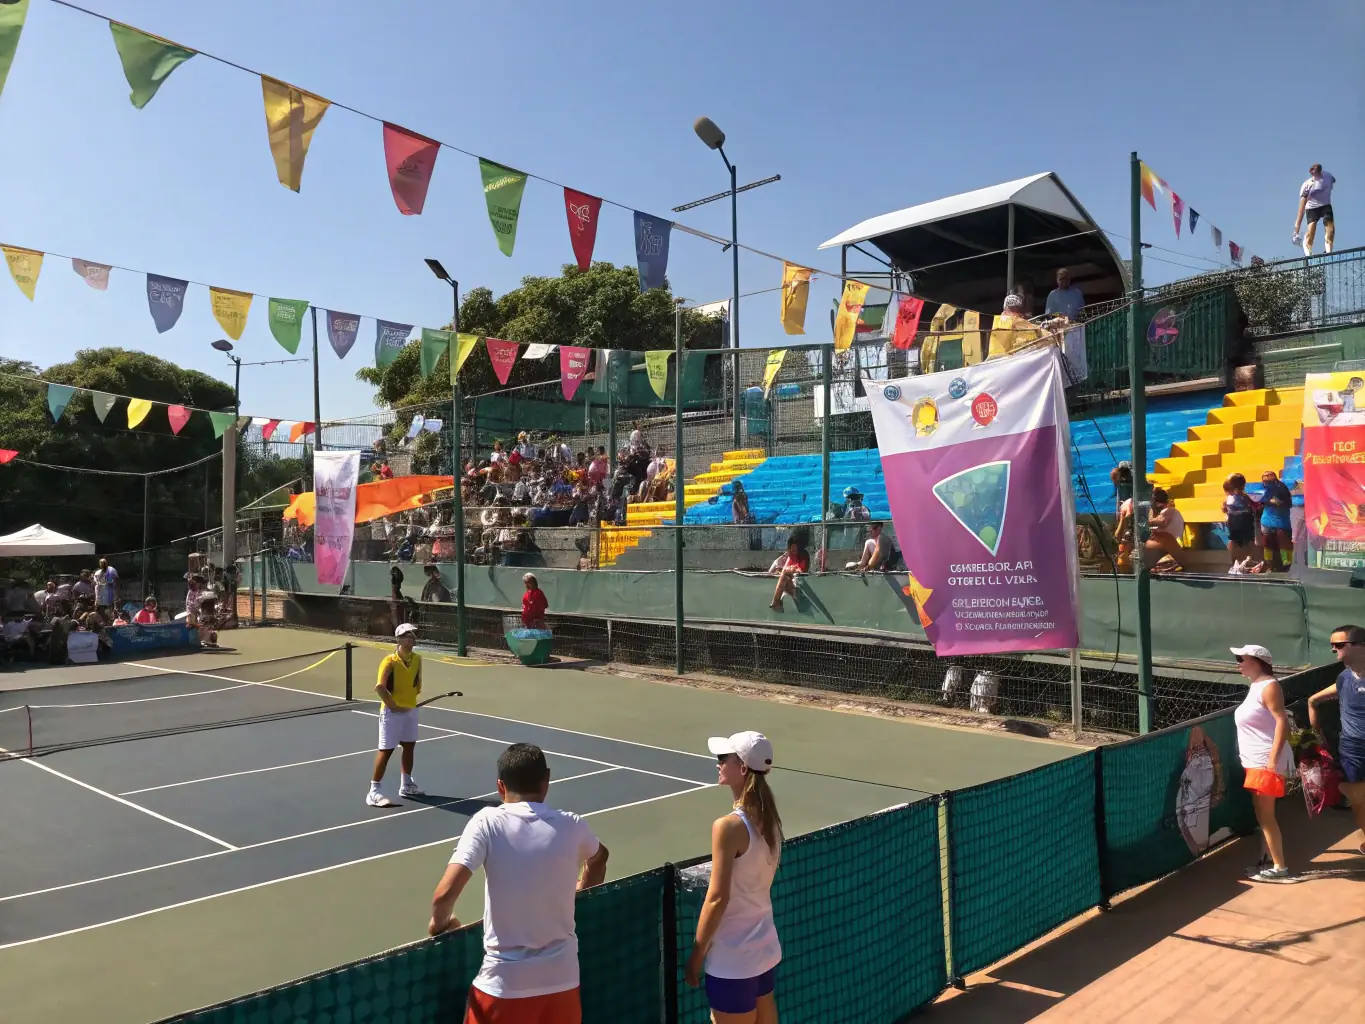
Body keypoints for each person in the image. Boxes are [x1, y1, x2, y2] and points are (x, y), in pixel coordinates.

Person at [429, 743, 609, 1024]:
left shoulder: (486, 823)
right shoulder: (573, 825)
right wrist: (582, 891)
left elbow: (443, 896)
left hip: (503, 987)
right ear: (546, 780)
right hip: (562, 984)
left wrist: (441, 923)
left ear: (501, 787)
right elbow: (599, 858)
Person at [686, 731, 783, 1023]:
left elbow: (717, 898)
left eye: (722, 758)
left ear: (742, 768)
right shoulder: (772, 823)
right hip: (763, 954)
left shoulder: (726, 828)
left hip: (732, 963)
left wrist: (696, 957)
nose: (718, 763)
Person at [1231, 644, 1294, 881]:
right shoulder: (1256, 685)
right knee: (1262, 814)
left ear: (1256, 661)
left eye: (1241, 658)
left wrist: (1272, 759)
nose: (1238, 663)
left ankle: (1280, 868)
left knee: (1266, 816)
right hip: (1254, 761)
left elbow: (1281, 721)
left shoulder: (1269, 686)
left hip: (1265, 761)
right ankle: (1266, 861)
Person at [1306, 625, 1365, 855]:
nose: (1333, 650)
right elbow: (1313, 701)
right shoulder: (1343, 678)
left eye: (1339, 645)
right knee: (1357, 799)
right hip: (1351, 750)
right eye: (1332, 645)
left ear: (1360, 646)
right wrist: (1315, 739)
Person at [367, 622, 425, 808]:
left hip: (410, 711)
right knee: (386, 750)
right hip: (392, 713)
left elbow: (416, 684)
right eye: (408, 635)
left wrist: (409, 704)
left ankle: (406, 784)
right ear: (399, 639)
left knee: (409, 747)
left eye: (413, 635)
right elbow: (380, 687)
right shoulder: (389, 661)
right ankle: (374, 792)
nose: (412, 639)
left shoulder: (417, 659)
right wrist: (394, 706)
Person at [1293, 163, 1335, 257]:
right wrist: (1297, 229)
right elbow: (1301, 208)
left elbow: (1333, 180)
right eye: (1312, 169)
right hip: (1312, 209)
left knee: (1330, 227)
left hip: (1325, 205)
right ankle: (1308, 249)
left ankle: (1328, 251)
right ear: (1311, 172)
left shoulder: (1328, 176)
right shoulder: (1307, 185)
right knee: (1311, 229)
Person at [1260, 471, 1293, 572]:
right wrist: (1268, 501)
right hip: (1267, 520)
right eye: (1264, 481)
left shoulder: (1282, 488)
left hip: (1282, 519)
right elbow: (1260, 499)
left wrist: (1280, 503)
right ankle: (1268, 563)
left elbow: (1288, 502)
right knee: (1267, 541)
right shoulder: (1262, 489)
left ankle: (1287, 563)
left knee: (1283, 538)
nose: (1266, 484)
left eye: (1269, 481)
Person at [1222, 473, 1258, 567]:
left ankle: (1244, 561)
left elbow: (1224, 508)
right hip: (1238, 520)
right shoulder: (1241, 497)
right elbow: (1224, 508)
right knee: (1241, 541)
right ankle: (1240, 562)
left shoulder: (1242, 496)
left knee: (1242, 541)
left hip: (1239, 520)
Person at [769, 539, 808, 611]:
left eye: (795, 551)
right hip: (790, 586)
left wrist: (792, 569)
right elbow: (784, 569)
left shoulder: (803, 557)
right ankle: (777, 602)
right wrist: (788, 569)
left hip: (799, 586)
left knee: (784, 575)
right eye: (791, 550)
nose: (792, 553)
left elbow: (801, 572)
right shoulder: (790, 557)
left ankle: (776, 602)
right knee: (784, 575)